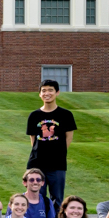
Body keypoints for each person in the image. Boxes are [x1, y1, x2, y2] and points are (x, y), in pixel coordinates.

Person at [25, 78, 76, 208]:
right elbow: (33, 139)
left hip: (57, 164)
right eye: (44, 90)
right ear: (40, 94)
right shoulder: (34, 116)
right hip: (36, 163)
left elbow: (68, 138)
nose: (47, 93)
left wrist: (59, 152)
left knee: (57, 200)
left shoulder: (66, 115)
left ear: (57, 92)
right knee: (36, 198)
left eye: (50, 90)